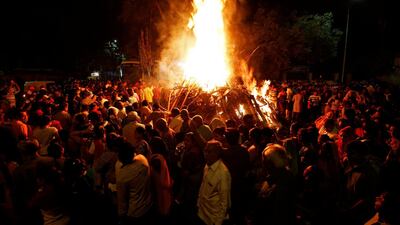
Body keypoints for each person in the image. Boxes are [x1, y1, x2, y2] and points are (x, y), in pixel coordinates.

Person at [116, 139, 153, 225]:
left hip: (136, 212)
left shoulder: (123, 174)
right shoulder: (142, 158)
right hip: (149, 205)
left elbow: (122, 201)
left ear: (121, 158)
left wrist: (121, 216)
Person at [197, 140, 231, 225]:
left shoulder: (222, 173)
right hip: (202, 213)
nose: (205, 154)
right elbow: (203, 186)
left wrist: (218, 222)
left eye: (208, 151)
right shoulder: (207, 165)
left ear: (216, 153)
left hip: (212, 218)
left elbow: (224, 202)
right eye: (205, 151)